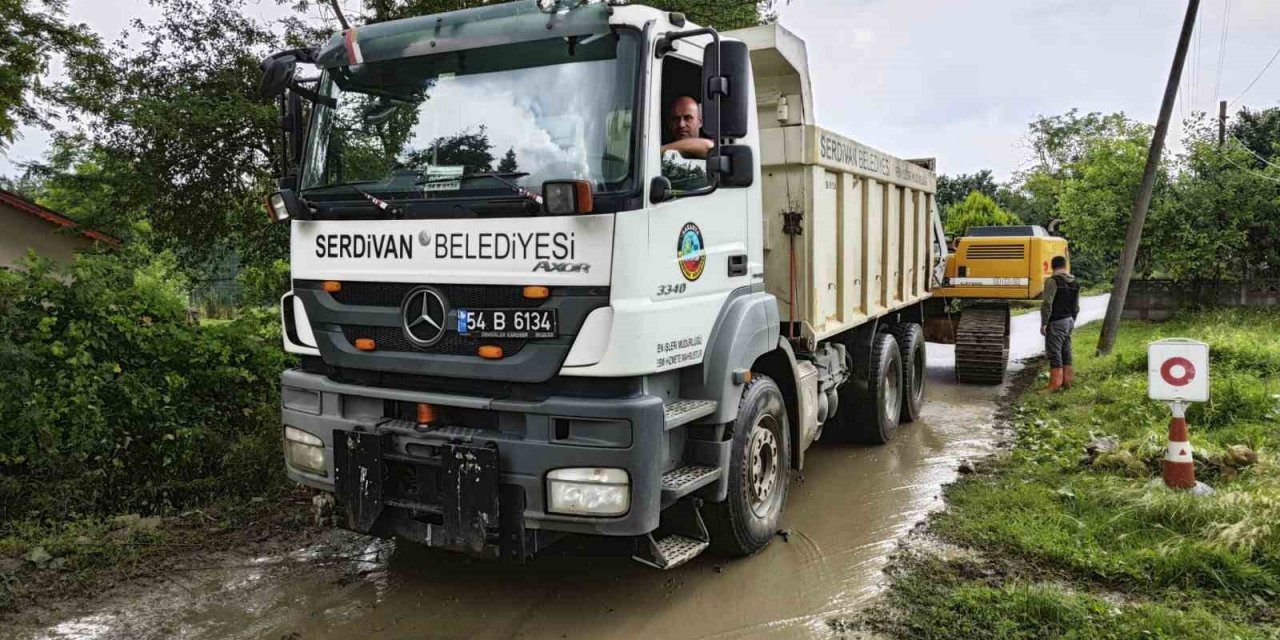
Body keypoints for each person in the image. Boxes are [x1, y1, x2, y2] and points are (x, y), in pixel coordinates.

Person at [1040, 255, 1080, 391]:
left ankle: (1054, 385)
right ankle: (1067, 382)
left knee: (1054, 352)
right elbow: (1076, 307)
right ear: (1065, 266)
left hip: (1057, 321)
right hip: (1069, 320)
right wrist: (1072, 320)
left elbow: (1047, 303)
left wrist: (1044, 322)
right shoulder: (1075, 282)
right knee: (1066, 351)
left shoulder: (1053, 281)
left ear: (1053, 267)